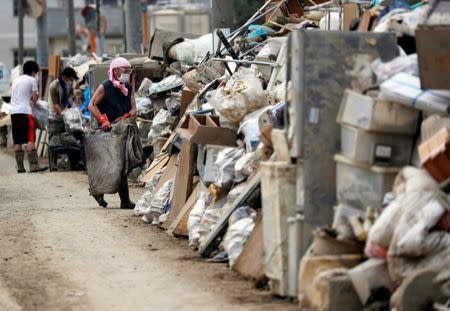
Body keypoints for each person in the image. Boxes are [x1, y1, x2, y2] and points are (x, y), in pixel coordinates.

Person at [88, 57, 137, 209]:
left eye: (129, 71)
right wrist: (103, 120)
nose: (127, 73)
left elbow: (134, 107)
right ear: (115, 71)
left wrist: (128, 115)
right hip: (106, 131)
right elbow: (92, 105)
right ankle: (98, 193)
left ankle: (125, 200)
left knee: (121, 164)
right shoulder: (105, 86)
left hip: (121, 130)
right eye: (125, 70)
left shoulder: (127, 87)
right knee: (105, 163)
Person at [10, 60, 47, 173]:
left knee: (18, 140)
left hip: (14, 112)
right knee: (31, 138)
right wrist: (33, 99)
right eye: (36, 72)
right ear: (33, 72)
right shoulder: (32, 80)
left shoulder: (16, 80)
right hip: (25, 112)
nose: (36, 75)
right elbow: (35, 98)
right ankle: (34, 166)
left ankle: (20, 167)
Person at [47, 67, 79, 143]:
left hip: (64, 118)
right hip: (54, 118)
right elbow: (56, 105)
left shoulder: (69, 86)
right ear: (65, 77)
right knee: (54, 141)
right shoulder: (54, 86)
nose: (72, 81)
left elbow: (70, 101)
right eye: (71, 79)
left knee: (64, 141)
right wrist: (64, 114)